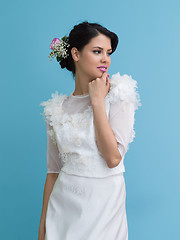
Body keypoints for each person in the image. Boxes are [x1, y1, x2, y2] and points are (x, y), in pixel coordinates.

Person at [38, 21, 141, 240]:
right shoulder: (56, 109)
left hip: (105, 209)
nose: (106, 59)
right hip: (63, 207)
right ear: (75, 53)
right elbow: (53, 172)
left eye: (108, 52)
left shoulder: (119, 95)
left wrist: (97, 101)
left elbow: (113, 158)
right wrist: (43, 228)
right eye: (97, 51)